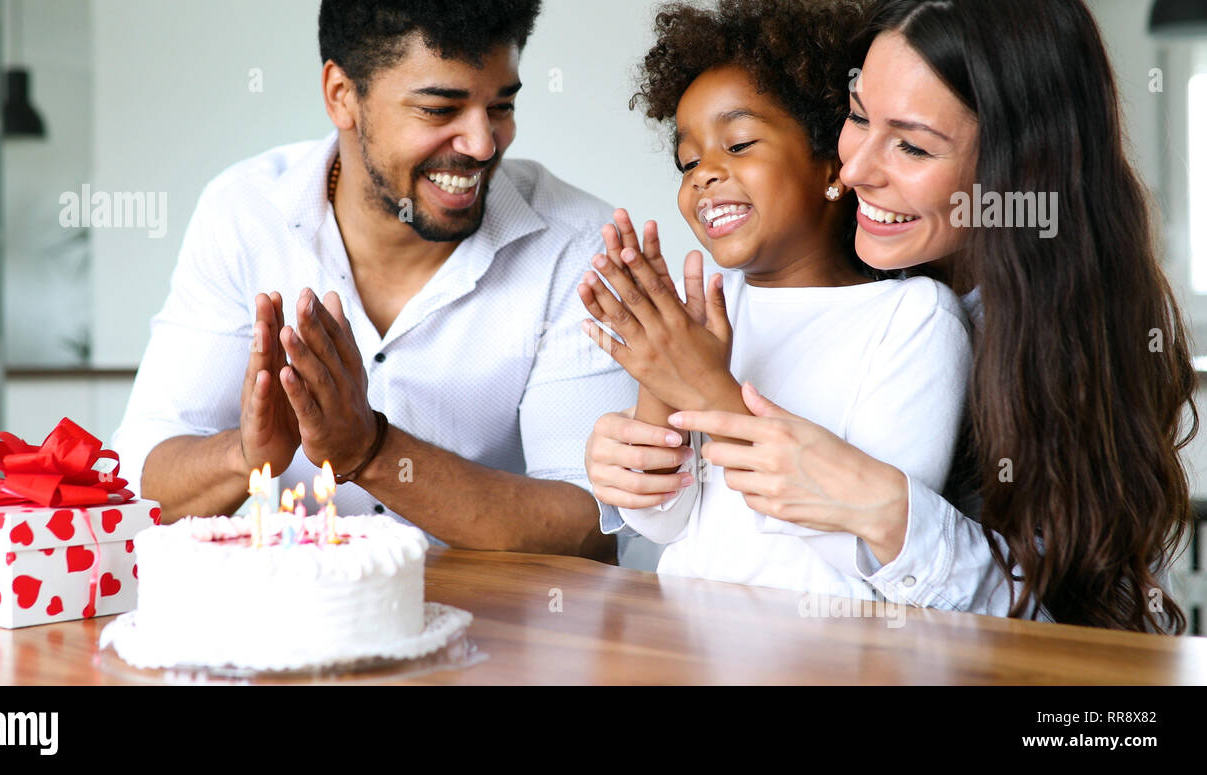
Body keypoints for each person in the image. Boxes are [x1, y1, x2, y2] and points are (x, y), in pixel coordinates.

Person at [591, 0, 1198, 632]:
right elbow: (685, 520)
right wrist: (636, 452)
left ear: (1014, 172)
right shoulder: (806, 278)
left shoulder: (1027, 336)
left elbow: (1068, 632)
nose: (852, 168)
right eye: (855, 118)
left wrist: (887, 512)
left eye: (911, 146)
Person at [111, 0, 637, 563]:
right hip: (302, 630)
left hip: (505, 636)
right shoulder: (243, 216)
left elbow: (594, 526)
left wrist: (373, 451)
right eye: (440, 110)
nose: (483, 145)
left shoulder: (579, 245)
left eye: (500, 106)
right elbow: (136, 491)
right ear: (342, 94)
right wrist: (244, 456)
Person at [577, 0, 972, 599]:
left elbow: (873, 541)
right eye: (688, 160)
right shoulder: (709, 309)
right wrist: (657, 370)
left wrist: (703, 387)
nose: (702, 174)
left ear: (829, 164)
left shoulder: (914, 319)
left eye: (737, 145)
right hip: (685, 644)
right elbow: (662, 520)